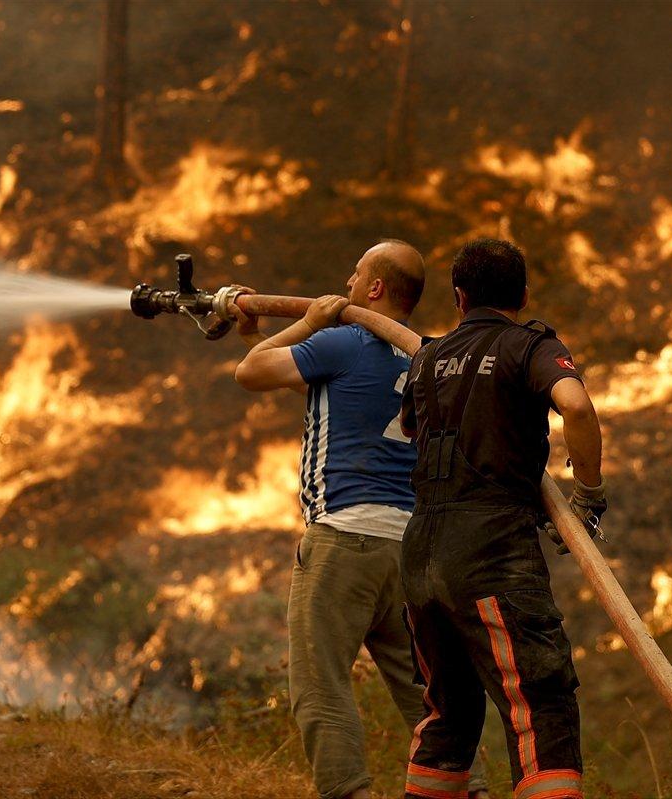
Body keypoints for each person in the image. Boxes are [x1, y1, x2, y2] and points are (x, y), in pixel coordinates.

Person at [231, 240, 489, 799]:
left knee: (319, 689)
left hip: (344, 544)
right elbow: (301, 381)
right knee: (429, 699)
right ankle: (473, 793)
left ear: (374, 289)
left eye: (355, 275)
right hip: (409, 556)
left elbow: (249, 374)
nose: (346, 282)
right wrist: (253, 328)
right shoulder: (430, 361)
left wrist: (311, 322)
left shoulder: (342, 340)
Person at [397, 238, 605, 799]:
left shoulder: (427, 357)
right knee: (540, 705)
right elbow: (577, 406)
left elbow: (414, 431)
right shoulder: (528, 344)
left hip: (420, 557)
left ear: (459, 298)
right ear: (525, 294)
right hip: (492, 557)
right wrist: (588, 493)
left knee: (448, 714)